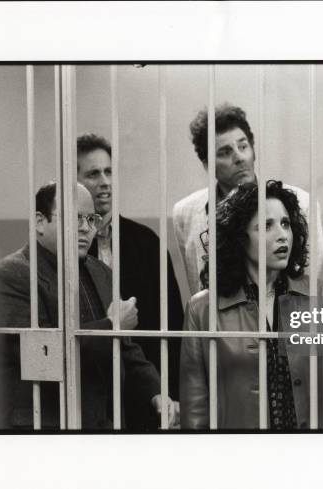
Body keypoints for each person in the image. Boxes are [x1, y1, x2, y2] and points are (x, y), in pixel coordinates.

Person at [0, 182, 178, 429]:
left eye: (92, 219)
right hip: (43, 428)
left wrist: (155, 392)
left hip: (101, 424)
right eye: (75, 218)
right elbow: (41, 359)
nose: (85, 228)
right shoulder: (11, 274)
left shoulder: (100, 271)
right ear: (39, 221)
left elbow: (125, 348)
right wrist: (111, 325)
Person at [180, 180, 323, 430]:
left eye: (286, 224)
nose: (282, 235)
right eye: (267, 226)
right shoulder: (201, 309)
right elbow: (195, 409)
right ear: (240, 238)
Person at [76, 133, 184, 428]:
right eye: (93, 173)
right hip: (88, 390)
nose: (105, 181)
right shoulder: (68, 248)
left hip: (147, 394)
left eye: (109, 171)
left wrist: (168, 391)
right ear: (74, 181)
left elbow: (172, 324)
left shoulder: (146, 243)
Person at [173, 103, 323, 297]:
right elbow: (200, 290)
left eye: (243, 146)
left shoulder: (302, 203)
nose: (239, 157)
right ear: (208, 164)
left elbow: (320, 284)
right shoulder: (186, 213)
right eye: (225, 152)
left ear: (253, 150)